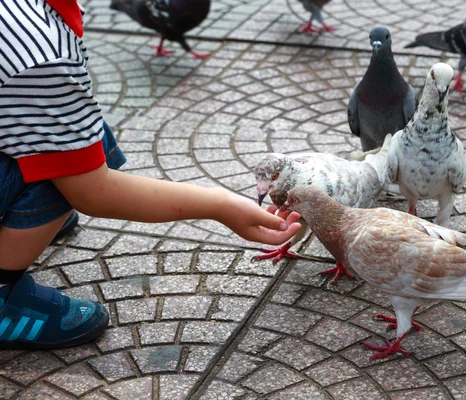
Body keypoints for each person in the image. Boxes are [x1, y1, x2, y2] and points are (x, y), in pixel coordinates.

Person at [0, 0, 301, 349]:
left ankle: (22, 223)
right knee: (72, 155)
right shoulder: (40, 52)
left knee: (72, 135)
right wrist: (221, 205)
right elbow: (93, 191)